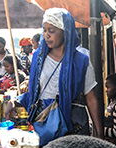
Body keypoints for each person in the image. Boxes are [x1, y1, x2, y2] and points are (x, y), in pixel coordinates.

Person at [16, 8, 103, 140]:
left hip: (73, 124)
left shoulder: (81, 61)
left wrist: (100, 133)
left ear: (65, 32)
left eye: (51, 31)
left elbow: (91, 98)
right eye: (44, 30)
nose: (46, 35)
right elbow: (34, 91)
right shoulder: (38, 59)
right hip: (45, 120)